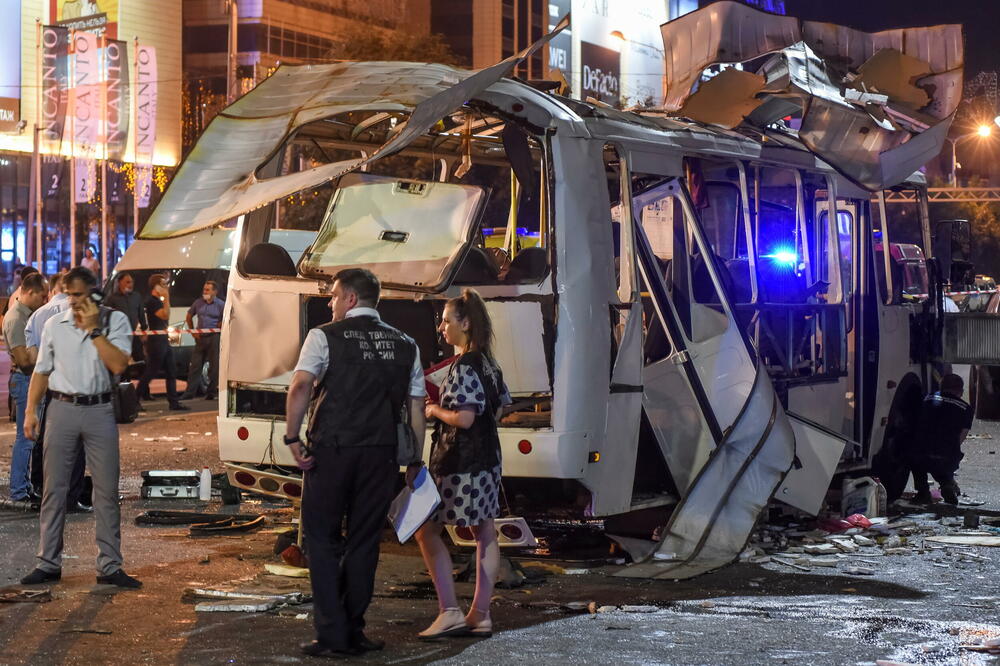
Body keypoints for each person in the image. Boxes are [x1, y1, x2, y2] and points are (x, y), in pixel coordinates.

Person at [284, 268, 426, 658]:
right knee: (364, 542)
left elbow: (300, 386)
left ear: (349, 299)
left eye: (332, 296)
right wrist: (414, 458)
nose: (329, 303)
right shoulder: (405, 344)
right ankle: (355, 629)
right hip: (380, 455)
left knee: (323, 539)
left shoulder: (324, 336)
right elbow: (417, 407)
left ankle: (331, 634)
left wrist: (292, 437)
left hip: (331, 450)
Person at [19, 266, 141, 588]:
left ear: (94, 295)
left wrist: (94, 331)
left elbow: (117, 364)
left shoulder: (115, 321)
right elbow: (42, 371)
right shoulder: (54, 325)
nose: (72, 301)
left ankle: (110, 566)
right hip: (60, 409)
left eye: (79, 295)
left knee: (106, 490)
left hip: (99, 409)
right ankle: (48, 562)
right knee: (53, 489)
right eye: (69, 294)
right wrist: (31, 410)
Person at [415, 289, 511, 640]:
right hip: (488, 460)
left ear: (466, 323)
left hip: (460, 462)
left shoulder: (464, 365)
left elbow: (465, 419)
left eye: (446, 320)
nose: (442, 328)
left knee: (426, 530)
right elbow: (500, 408)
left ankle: (449, 611)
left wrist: (433, 410)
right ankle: (479, 614)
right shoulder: (490, 362)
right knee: (485, 532)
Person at [25, 274, 90, 513]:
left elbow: (32, 359)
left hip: (50, 385)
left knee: (47, 443)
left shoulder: (37, 316)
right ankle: (71, 499)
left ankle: (44, 493)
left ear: (51, 290)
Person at [3, 273, 48, 502]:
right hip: (24, 380)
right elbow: (24, 360)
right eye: (42, 295)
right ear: (29, 292)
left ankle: (24, 485)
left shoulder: (26, 315)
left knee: (30, 437)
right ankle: (19, 490)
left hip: (26, 380)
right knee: (26, 437)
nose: (46, 299)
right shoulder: (16, 319)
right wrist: (47, 355)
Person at [910, 373, 974, 505]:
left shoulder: (927, 399)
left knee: (916, 455)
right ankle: (946, 484)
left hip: (921, 454)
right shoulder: (966, 408)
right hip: (947, 457)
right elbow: (962, 435)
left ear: (941, 387)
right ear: (961, 391)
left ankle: (923, 492)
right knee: (943, 458)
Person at [136, 274, 188, 411]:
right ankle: (134, 399)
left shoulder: (158, 300)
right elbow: (165, 315)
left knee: (171, 371)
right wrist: (167, 298)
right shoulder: (152, 301)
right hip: (157, 342)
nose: (166, 288)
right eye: (164, 285)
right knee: (151, 372)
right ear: (156, 286)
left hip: (163, 339)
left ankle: (174, 402)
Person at [180, 280, 225, 400]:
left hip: (214, 337)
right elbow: (189, 316)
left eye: (207, 290)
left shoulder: (221, 304)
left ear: (215, 291)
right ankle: (189, 393)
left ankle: (211, 392)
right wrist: (193, 331)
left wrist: (220, 325)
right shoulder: (198, 303)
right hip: (200, 338)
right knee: (195, 366)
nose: (204, 292)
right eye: (204, 289)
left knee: (214, 367)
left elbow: (225, 320)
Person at [104, 272, 147, 363]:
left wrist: (144, 330)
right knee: (121, 361)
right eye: (127, 282)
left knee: (141, 360)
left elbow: (141, 314)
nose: (130, 284)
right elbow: (107, 316)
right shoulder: (112, 299)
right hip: (120, 336)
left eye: (131, 282)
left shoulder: (136, 297)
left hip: (134, 334)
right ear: (120, 283)